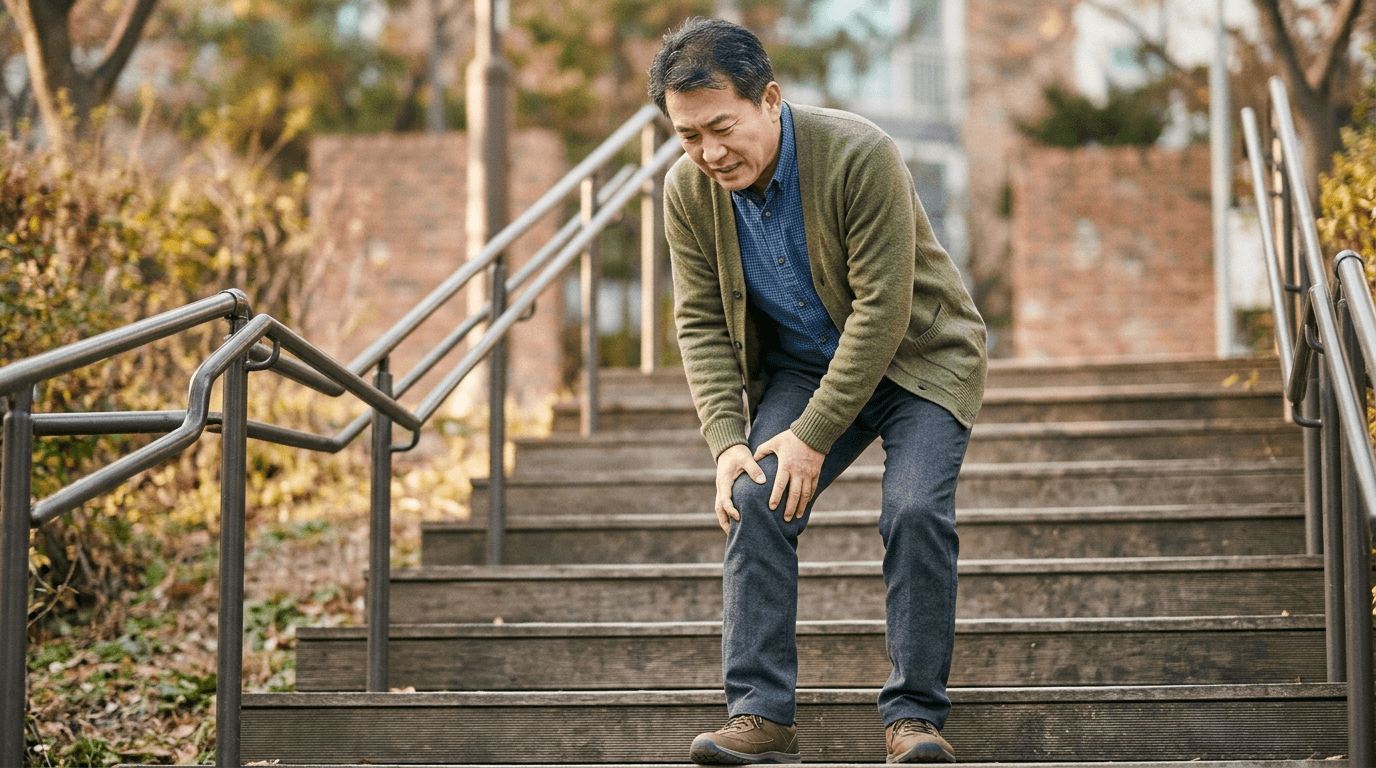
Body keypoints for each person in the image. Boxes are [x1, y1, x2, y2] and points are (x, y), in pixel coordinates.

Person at [647, 17, 987, 765]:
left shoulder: (859, 153)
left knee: (914, 509)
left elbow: (883, 310)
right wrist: (727, 444)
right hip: (803, 366)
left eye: (721, 127)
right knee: (756, 499)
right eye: (687, 136)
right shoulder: (686, 192)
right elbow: (699, 322)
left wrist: (812, 435)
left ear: (770, 99)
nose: (708, 152)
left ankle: (914, 719)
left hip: (919, 357)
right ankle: (761, 716)